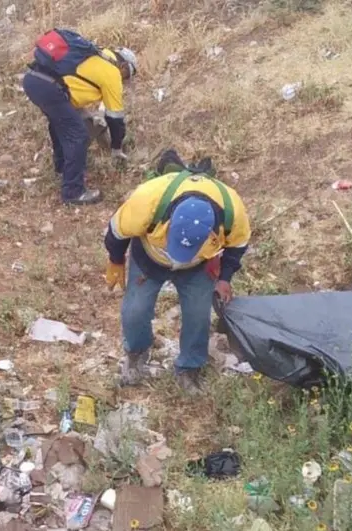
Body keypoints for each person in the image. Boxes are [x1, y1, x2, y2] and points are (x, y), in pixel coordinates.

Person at [103, 169, 251, 394]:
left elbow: (238, 246)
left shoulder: (233, 211)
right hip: (149, 259)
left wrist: (224, 278)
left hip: (198, 267)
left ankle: (189, 368)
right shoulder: (147, 200)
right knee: (135, 310)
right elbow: (116, 232)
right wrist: (116, 260)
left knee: (198, 315)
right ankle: (136, 353)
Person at [23, 28, 137, 205]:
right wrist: (116, 148)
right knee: (78, 135)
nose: (125, 80)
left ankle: (62, 168)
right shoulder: (112, 72)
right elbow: (115, 118)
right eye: (127, 74)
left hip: (33, 81)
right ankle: (73, 192)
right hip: (50, 89)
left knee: (60, 123)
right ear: (123, 66)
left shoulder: (96, 55)